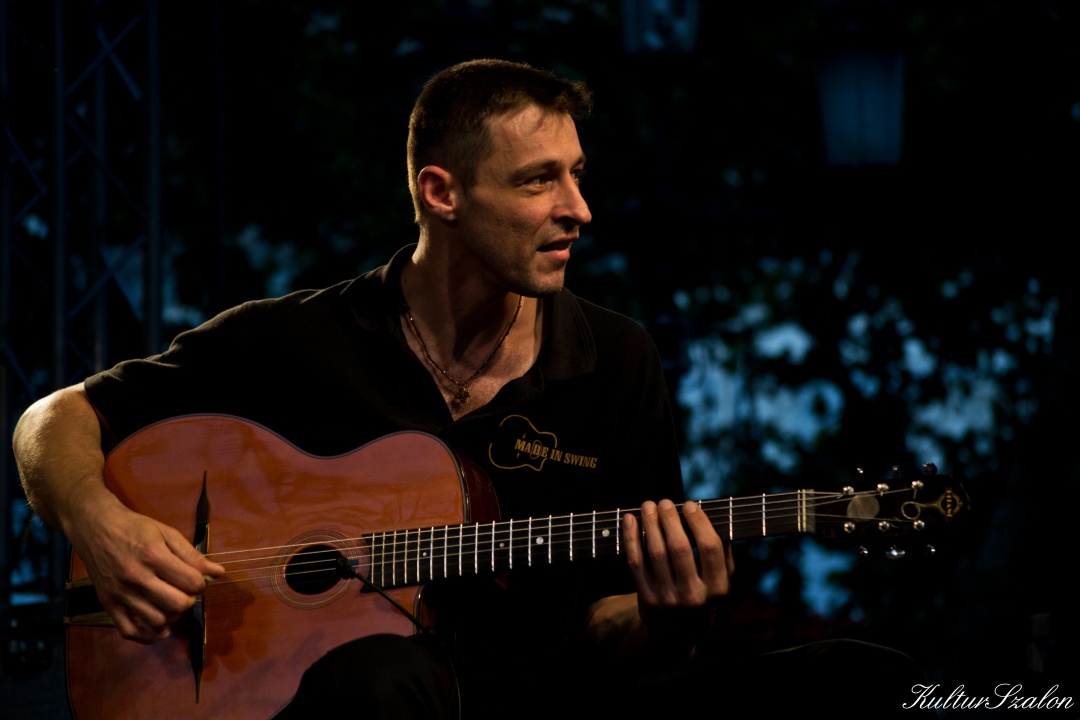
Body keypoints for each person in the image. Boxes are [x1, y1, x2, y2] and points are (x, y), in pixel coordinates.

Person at [13, 58, 733, 718]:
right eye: (538, 180)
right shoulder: (294, 341)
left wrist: (668, 621)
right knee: (381, 678)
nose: (579, 208)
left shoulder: (615, 361)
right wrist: (99, 524)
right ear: (441, 192)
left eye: (577, 173)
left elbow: (605, 624)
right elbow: (52, 418)